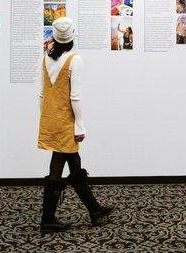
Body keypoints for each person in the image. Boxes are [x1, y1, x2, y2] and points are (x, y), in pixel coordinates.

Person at [38, 17, 113, 233]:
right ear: (72, 37)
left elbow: (42, 93)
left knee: (72, 161)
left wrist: (44, 117)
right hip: (65, 120)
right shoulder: (75, 60)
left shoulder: (46, 57)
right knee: (61, 162)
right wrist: (80, 125)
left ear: (54, 37)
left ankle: (94, 209)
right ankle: (48, 219)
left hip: (50, 117)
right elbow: (75, 97)